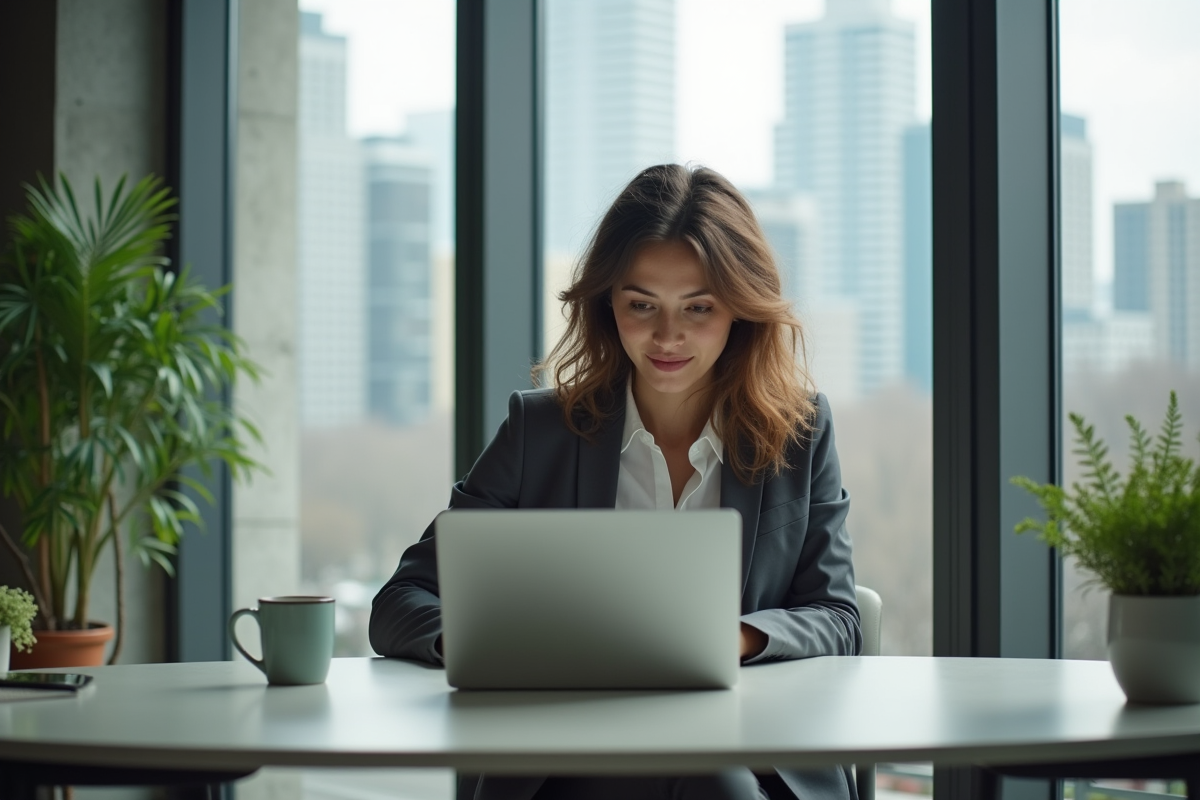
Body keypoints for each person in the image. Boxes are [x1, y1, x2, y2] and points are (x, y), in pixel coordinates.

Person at [370, 164, 860, 800]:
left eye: (699, 308)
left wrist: (735, 637)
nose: (667, 336)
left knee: (719, 782)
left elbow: (837, 615)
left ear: (740, 309)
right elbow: (399, 603)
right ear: (609, 305)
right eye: (641, 305)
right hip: (569, 759)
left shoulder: (800, 432)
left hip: (744, 748)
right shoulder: (539, 431)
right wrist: (500, 648)